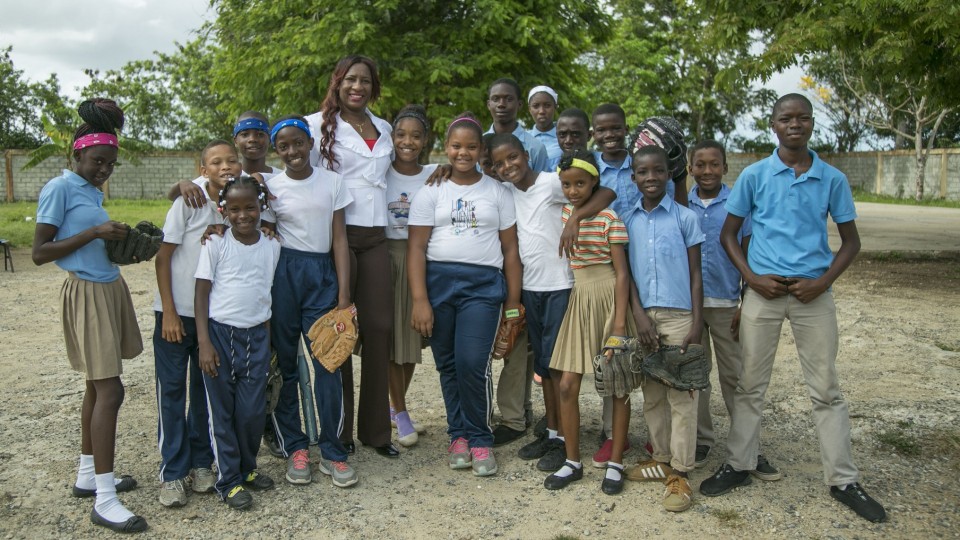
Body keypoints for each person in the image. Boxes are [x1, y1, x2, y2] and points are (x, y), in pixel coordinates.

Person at [699, 94, 887, 524]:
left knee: (826, 389)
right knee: (749, 385)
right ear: (773, 125)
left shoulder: (831, 179)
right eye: (787, 118)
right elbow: (730, 235)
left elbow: (851, 241)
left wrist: (822, 282)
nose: (795, 124)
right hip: (764, 294)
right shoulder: (755, 175)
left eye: (803, 118)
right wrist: (751, 278)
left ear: (812, 124)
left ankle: (843, 479)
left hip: (813, 295)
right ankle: (740, 464)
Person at [32, 98, 148, 533]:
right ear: (77, 154)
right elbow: (40, 252)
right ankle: (105, 498)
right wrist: (95, 232)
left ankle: (88, 475)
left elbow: (90, 242)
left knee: (95, 389)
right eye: (98, 161)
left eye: (111, 164)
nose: (104, 170)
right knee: (111, 392)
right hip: (86, 294)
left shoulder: (90, 190)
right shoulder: (59, 187)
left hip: (108, 287)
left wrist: (120, 245)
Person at [408, 113, 522, 477]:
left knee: (474, 363)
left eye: (471, 146)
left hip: (483, 288)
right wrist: (420, 300)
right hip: (439, 283)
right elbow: (416, 249)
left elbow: (510, 251)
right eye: (456, 146)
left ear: (481, 150)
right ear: (446, 147)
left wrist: (513, 303)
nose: (463, 152)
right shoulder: (431, 191)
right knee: (449, 365)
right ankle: (457, 435)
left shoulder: (498, 192)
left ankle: (480, 437)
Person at [306, 55, 398, 458]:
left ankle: (377, 433)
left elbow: (397, 175)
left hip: (376, 238)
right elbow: (298, 176)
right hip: (336, 240)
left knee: (379, 329)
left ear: (373, 86)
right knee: (340, 330)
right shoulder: (313, 126)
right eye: (350, 79)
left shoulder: (385, 127)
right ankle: (339, 432)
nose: (357, 86)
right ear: (337, 82)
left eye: (365, 80)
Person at [264, 116, 357, 488]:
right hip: (284, 275)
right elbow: (264, 233)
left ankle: (333, 452)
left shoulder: (331, 182)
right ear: (278, 150)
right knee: (285, 364)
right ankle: (296, 447)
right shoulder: (271, 187)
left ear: (310, 143)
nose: (292, 152)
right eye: (284, 146)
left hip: (322, 276)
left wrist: (344, 295)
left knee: (329, 364)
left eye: (298, 143)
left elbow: (339, 239)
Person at [686, 140, 781, 481]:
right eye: (700, 164)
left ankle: (749, 448)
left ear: (726, 168)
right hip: (691, 307)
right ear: (690, 168)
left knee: (735, 378)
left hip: (728, 305)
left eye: (714, 164)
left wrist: (745, 300)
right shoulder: (684, 206)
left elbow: (748, 254)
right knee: (696, 377)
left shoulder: (738, 205)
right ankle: (700, 439)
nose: (707, 171)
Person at [152, 140, 237, 508]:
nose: (225, 166)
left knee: (205, 392)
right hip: (175, 314)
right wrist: (169, 311)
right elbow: (162, 256)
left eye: (231, 160)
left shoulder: (238, 204)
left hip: (212, 317)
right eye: (215, 162)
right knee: (172, 393)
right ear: (203, 170)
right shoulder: (189, 201)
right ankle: (172, 472)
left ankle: (202, 462)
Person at [543, 150, 632, 493]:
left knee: (617, 381)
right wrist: (574, 217)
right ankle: (572, 461)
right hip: (579, 298)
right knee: (567, 384)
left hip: (609, 296)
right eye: (567, 184)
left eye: (581, 183)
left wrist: (620, 325)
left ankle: (615, 464)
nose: (573, 190)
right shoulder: (565, 211)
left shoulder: (610, 218)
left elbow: (623, 274)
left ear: (594, 182)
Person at [622, 145, 705, 512]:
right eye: (643, 172)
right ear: (633, 177)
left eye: (658, 171)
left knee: (682, 396)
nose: (651, 178)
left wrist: (697, 322)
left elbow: (697, 273)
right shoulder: (628, 221)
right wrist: (638, 317)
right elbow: (626, 278)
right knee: (652, 393)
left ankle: (682, 473)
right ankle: (663, 457)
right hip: (644, 319)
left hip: (680, 315)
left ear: (669, 175)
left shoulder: (685, 218)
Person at [195, 176, 281, 510]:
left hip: (257, 336)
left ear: (261, 207)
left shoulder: (272, 245)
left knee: (251, 412)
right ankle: (228, 481)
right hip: (220, 336)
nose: (243, 215)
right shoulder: (215, 243)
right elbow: (201, 292)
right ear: (223, 211)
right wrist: (204, 342)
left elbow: (266, 293)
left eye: (250, 207)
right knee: (223, 414)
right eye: (235, 209)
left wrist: (268, 343)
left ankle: (247, 469)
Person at [384, 105, 437, 447]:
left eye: (416, 136)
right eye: (401, 134)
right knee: (393, 341)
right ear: (391, 138)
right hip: (387, 257)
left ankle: (395, 407)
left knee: (413, 339)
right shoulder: (380, 173)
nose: (408, 141)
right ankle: (400, 410)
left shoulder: (434, 174)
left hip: (420, 257)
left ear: (425, 140)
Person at [486, 77, 550, 172]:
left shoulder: (535, 147)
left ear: (519, 104)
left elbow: (542, 185)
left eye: (509, 99)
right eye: (495, 99)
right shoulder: (479, 145)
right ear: (488, 105)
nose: (501, 104)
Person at [527, 85, 562, 169]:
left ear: (555, 107)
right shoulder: (523, 138)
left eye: (547, 105)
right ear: (530, 109)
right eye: (536, 106)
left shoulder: (565, 138)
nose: (542, 111)